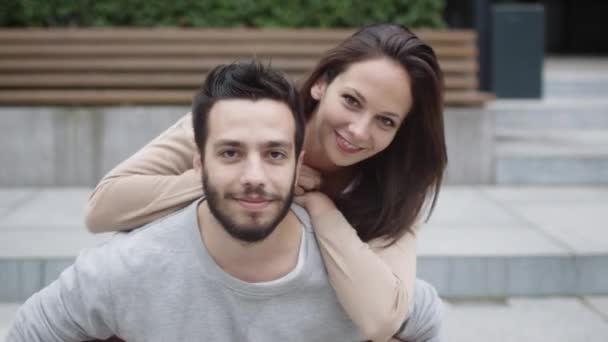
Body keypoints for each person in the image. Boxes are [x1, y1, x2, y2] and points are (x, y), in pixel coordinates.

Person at [7, 60, 440, 342]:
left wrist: (321, 208)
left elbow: (395, 317)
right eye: (231, 152)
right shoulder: (235, 113)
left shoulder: (391, 198)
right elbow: (103, 209)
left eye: (275, 154)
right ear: (321, 85)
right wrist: (219, 177)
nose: (359, 130)